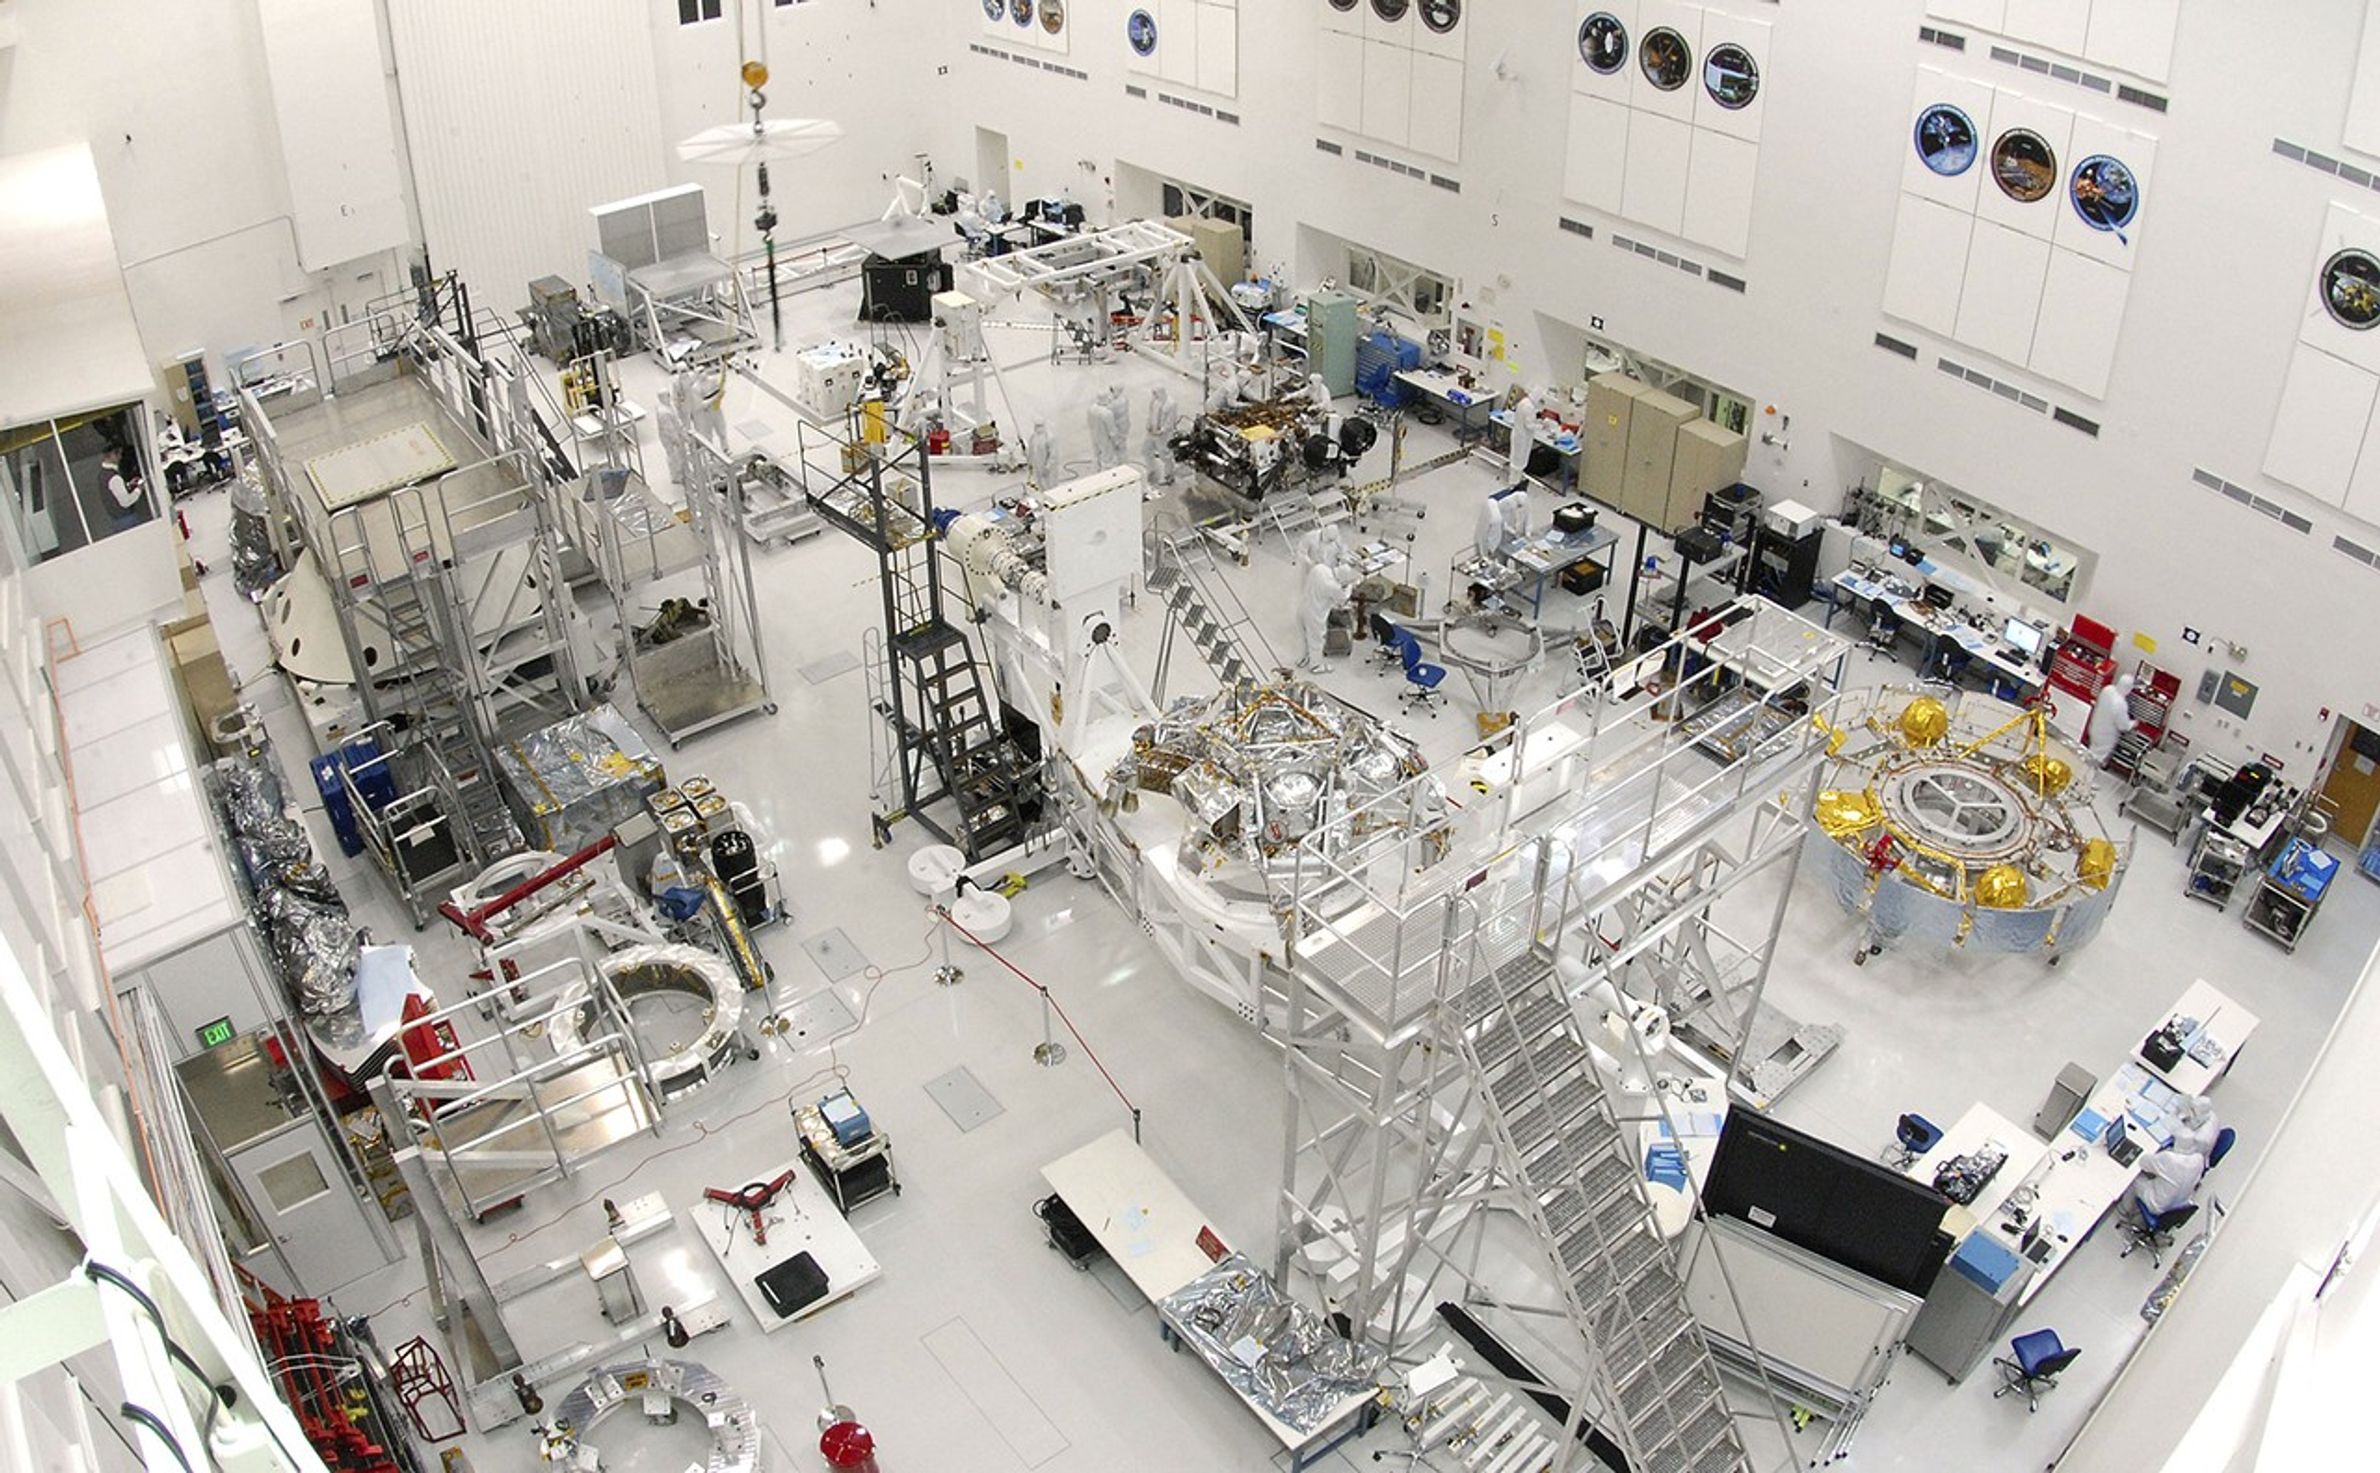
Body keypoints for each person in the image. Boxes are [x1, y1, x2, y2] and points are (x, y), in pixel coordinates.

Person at [1298, 556, 1356, 673]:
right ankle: (1315, 666)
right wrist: (1350, 585)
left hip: (1302, 608)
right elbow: (1343, 599)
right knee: (1316, 641)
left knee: (1304, 635)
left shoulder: (1320, 568)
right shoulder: (1332, 586)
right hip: (1315, 615)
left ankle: (1304, 658)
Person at [2132, 1143, 2206, 1221]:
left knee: (2135, 1177)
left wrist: (2160, 1156)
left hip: (2157, 1205)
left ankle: (2124, 1210)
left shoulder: (2169, 1159)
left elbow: (2142, 1162)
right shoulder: (2199, 1159)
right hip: (2180, 1205)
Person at [2086, 673, 2136, 766]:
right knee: (2095, 761)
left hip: (2095, 728)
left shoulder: (2108, 689)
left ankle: (2082, 769)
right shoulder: (2121, 704)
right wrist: (2133, 723)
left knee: (2089, 754)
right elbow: (2123, 726)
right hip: (2105, 738)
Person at [1144, 386, 1180, 486]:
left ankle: (1168, 476)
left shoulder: (1171, 404)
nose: (1154, 395)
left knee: (1166, 456)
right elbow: (1151, 414)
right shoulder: (1154, 401)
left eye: (1155, 393)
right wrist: (1148, 424)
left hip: (1164, 435)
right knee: (1147, 451)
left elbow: (1171, 420)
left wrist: (1162, 431)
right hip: (1152, 432)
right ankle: (1153, 470)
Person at [2169, 1094, 2221, 1158]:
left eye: (2193, 1109)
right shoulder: (2209, 1114)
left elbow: (2185, 1155)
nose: (2191, 1111)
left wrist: (2177, 1130)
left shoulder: (2201, 1138)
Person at [105, 453, 146, 533]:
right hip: (126, 519)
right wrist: (139, 489)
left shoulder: (104, 476)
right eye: (119, 454)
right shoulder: (114, 477)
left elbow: (115, 491)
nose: (120, 457)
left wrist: (128, 485)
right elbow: (125, 502)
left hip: (117, 520)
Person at [1506, 392, 1539, 489]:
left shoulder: (1523, 402)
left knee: (1515, 457)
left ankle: (1514, 480)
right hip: (1523, 437)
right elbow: (1529, 425)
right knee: (1520, 460)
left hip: (1517, 434)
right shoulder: (1529, 407)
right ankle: (1514, 483)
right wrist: (1541, 426)